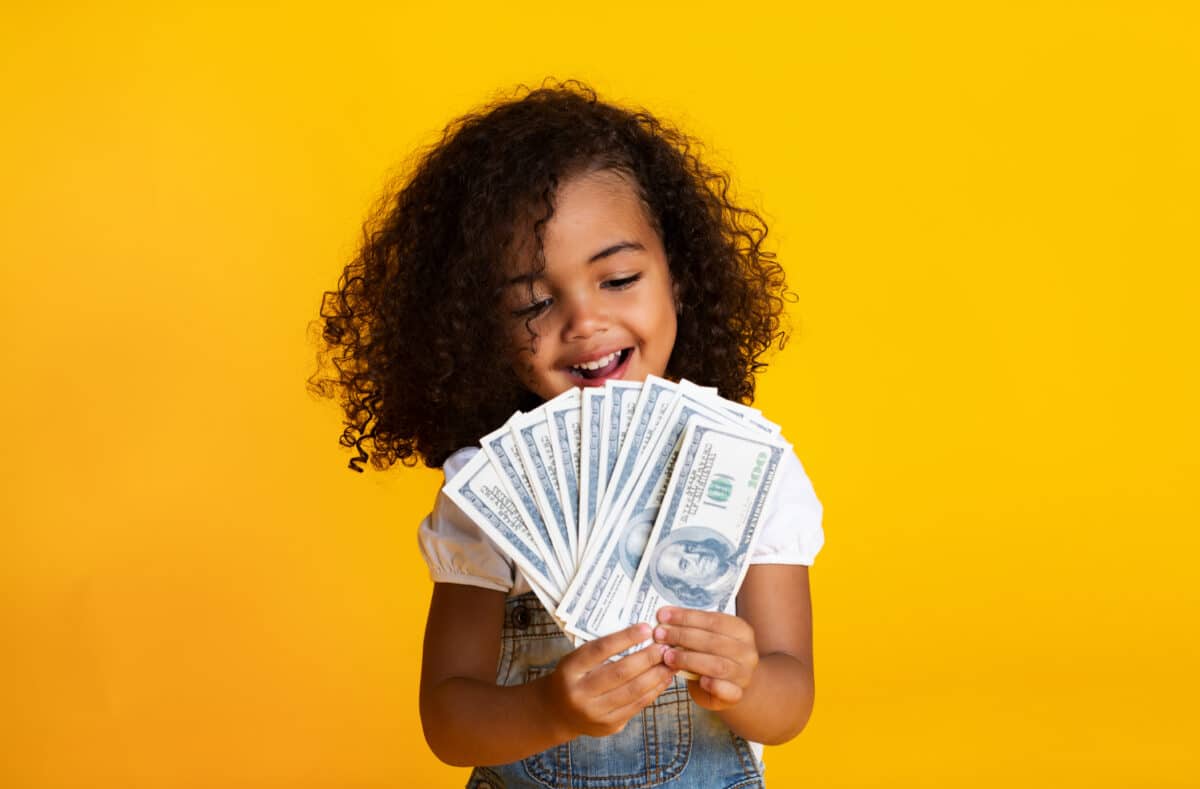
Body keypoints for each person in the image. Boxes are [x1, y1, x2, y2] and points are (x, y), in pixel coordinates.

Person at [312, 81, 825, 787]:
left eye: (617, 278)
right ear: (478, 327)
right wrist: (551, 708)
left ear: (678, 276)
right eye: (534, 302)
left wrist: (743, 680)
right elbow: (449, 718)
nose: (584, 321)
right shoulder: (487, 490)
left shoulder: (749, 467)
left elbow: (791, 698)